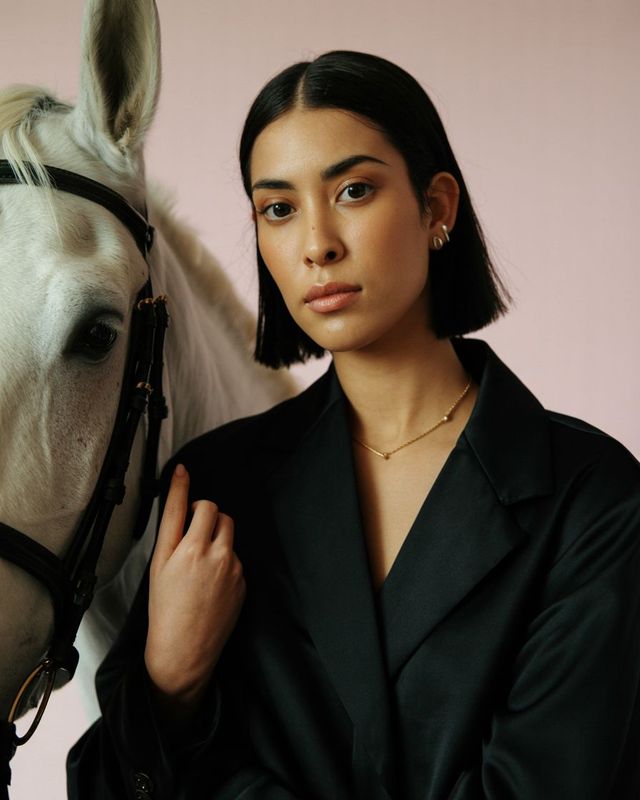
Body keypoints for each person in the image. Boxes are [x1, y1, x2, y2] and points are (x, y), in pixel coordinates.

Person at [67, 51, 640, 799]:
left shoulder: (592, 500)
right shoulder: (217, 491)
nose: (316, 244)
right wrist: (169, 686)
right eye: (278, 209)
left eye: (354, 191)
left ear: (437, 208)